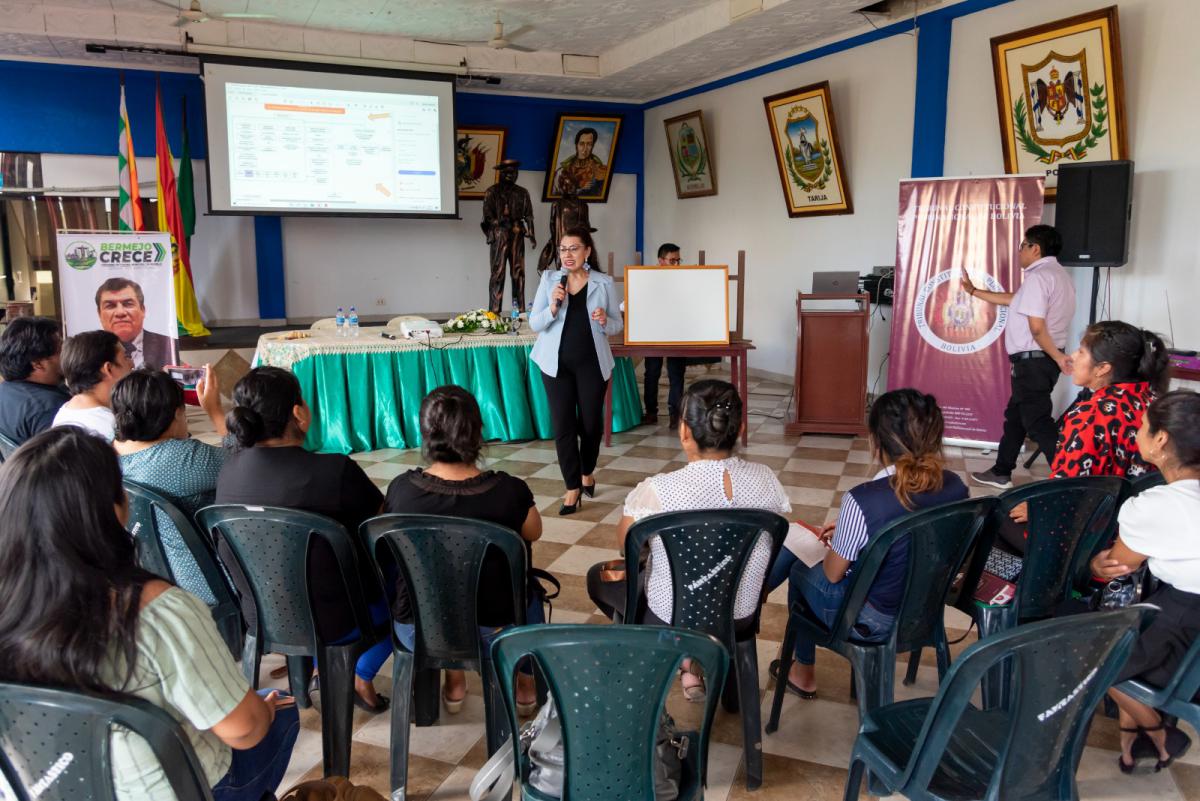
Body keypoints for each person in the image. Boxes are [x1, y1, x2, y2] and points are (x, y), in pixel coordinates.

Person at [0, 427, 298, 801]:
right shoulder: (157, 610)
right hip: (184, 791)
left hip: (57, 790)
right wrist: (262, 713)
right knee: (280, 709)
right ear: (113, 509)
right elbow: (245, 730)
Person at [586, 379, 791, 699]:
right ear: (740, 428)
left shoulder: (660, 490)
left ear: (684, 432)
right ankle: (697, 666)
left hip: (670, 617)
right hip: (740, 616)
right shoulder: (767, 480)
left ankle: (678, 663)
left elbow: (626, 544)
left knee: (597, 577)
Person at [216, 367, 392, 713]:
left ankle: (312, 665)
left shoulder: (229, 470)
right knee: (406, 587)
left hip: (262, 613)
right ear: (299, 413)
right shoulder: (335, 470)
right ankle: (360, 673)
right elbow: (381, 525)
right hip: (337, 619)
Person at [772, 389, 968, 699]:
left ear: (876, 443)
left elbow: (834, 574)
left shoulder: (864, 499)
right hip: (925, 610)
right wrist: (857, 532)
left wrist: (838, 542)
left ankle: (803, 670)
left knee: (801, 565)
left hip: (872, 622)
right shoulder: (957, 486)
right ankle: (802, 668)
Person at [383, 385, 543, 715]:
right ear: (478, 433)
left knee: (437, 584)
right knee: (529, 588)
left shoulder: (401, 490)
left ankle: (454, 678)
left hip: (418, 630)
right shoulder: (509, 491)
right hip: (495, 631)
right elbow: (533, 531)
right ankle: (526, 681)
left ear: (425, 434)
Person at [1089, 390, 1200, 773]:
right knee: (1130, 632)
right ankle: (1135, 743)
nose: (1137, 432)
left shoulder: (1155, 505)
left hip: (1182, 627)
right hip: (1188, 628)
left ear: (1162, 440)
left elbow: (1117, 565)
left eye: (1143, 427)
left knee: (1087, 652)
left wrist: (1095, 564)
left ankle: (1156, 731)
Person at [1003, 322, 1169, 540]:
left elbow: (1068, 494)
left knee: (1000, 512)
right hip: (1137, 526)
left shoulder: (1089, 415)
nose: (1072, 356)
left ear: (1103, 368)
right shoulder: (1152, 399)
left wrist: (1037, 507)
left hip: (1092, 534)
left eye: (1081, 351)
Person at [962, 224, 1077, 489]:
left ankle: (1072, 480)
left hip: (1034, 361)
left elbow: (1037, 328)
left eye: (1022, 246)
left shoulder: (1038, 277)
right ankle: (1002, 471)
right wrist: (973, 291)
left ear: (1035, 249)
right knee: (1015, 418)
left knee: (1038, 423)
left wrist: (1058, 357)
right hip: (1042, 361)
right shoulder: (1059, 276)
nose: (1019, 252)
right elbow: (1013, 299)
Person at [113, 367, 228, 605]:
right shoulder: (184, 458)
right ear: (177, 414)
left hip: (148, 580)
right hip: (205, 583)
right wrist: (216, 412)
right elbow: (247, 465)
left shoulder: (106, 455)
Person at [529, 226, 623, 515]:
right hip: (555, 365)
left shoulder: (603, 283)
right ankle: (572, 488)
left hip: (592, 364)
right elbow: (535, 323)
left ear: (587, 251)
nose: (567, 255)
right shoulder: (549, 280)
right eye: (562, 249)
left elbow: (617, 325)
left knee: (591, 425)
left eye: (573, 248)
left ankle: (587, 471)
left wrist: (605, 319)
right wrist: (553, 309)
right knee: (564, 428)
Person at [52, 329, 134, 441]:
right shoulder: (111, 427)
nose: (132, 364)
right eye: (125, 357)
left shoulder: (65, 412)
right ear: (108, 369)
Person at [0, 316, 69, 444]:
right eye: (60, 350)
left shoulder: (5, 390)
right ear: (38, 364)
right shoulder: (49, 409)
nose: (67, 354)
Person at [642, 243, 689, 428]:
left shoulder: (686, 279)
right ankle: (651, 412)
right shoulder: (647, 280)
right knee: (652, 373)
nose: (676, 264)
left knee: (677, 373)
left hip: (678, 331)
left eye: (678, 260)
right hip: (652, 332)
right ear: (661, 261)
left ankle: (674, 415)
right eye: (672, 260)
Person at [480, 159, 536, 314]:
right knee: (498, 272)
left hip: (517, 233)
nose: (511, 176)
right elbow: (487, 216)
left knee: (518, 272)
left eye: (514, 173)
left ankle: (519, 311)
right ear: (501, 173)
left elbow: (529, 216)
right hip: (500, 234)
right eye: (508, 173)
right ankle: (494, 312)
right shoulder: (492, 192)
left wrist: (531, 233)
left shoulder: (522, 193)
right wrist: (498, 225)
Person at [95, 277, 178, 369]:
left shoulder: (168, 346)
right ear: (99, 314)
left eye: (128, 304)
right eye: (110, 306)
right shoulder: (89, 353)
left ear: (143, 310)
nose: (120, 312)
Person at [554, 127, 607, 197]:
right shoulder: (565, 169)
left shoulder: (599, 169)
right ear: (576, 145)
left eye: (589, 144)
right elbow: (559, 192)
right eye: (582, 144)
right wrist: (579, 188)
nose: (585, 148)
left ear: (592, 146)